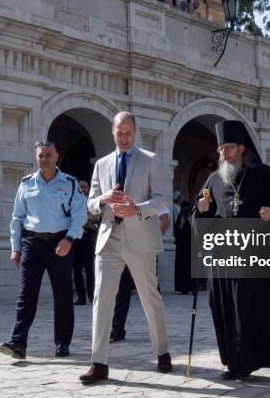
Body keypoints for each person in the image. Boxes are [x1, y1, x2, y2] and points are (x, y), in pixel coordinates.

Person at [194, 120, 270, 380]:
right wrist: (201, 211)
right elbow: (199, 214)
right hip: (222, 259)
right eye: (220, 149)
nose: (223, 153)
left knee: (250, 308)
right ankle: (234, 362)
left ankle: (252, 359)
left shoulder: (263, 174)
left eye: (228, 148)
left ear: (241, 148)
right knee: (226, 308)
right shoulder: (214, 179)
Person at [79, 112, 172, 384]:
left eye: (128, 132)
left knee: (149, 297)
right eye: (119, 133)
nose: (123, 137)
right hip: (109, 237)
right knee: (101, 299)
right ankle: (99, 362)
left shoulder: (151, 160)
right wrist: (103, 200)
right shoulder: (102, 164)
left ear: (135, 132)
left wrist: (137, 209)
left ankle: (163, 352)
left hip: (140, 238)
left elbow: (160, 199)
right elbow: (90, 204)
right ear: (112, 132)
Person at [0, 141, 87, 360]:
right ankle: (18, 342)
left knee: (63, 295)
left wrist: (69, 239)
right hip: (32, 243)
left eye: (48, 155)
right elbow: (17, 217)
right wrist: (15, 247)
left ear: (57, 156)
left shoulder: (69, 183)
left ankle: (63, 342)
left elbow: (80, 214)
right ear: (36, 157)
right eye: (40, 156)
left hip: (60, 243)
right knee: (25, 294)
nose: (44, 159)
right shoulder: (26, 184)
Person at [109, 207, 170, 342]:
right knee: (121, 291)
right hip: (124, 250)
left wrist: (152, 241)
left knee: (151, 292)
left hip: (145, 252)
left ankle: (158, 331)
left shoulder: (152, 198)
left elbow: (165, 220)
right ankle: (117, 329)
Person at [74, 179, 97, 305]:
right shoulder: (74, 200)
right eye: (81, 187)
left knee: (90, 268)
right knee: (76, 268)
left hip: (89, 237)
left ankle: (92, 296)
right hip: (77, 237)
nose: (83, 189)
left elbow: (98, 216)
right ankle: (81, 298)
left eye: (85, 186)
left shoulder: (92, 200)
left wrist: (91, 225)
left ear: (88, 187)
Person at [174, 201, 192, 294]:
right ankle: (183, 288)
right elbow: (177, 232)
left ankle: (192, 288)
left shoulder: (192, 217)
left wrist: (190, 221)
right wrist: (181, 223)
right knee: (182, 268)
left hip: (191, 248)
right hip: (182, 248)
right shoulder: (179, 218)